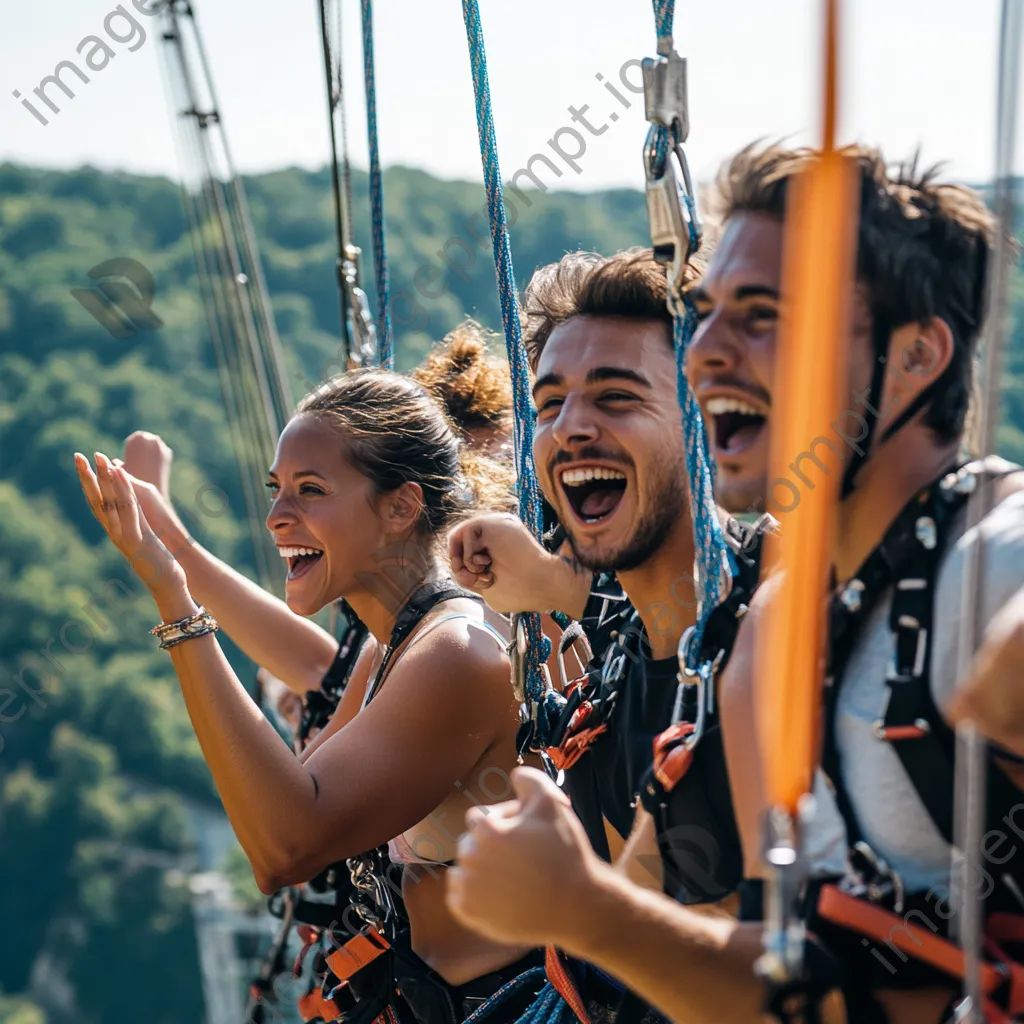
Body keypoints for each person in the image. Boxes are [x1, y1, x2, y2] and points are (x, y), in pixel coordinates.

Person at [447, 144, 1024, 1024]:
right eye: (707, 314)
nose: (707, 350)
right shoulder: (770, 638)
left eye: (762, 316)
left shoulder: (989, 553)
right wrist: (583, 911)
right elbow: (780, 991)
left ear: (916, 356)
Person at [74, 368, 549, 1024]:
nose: (276, 516)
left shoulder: (456, 652)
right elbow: (288, 800)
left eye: (310, 490)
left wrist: (175, 594)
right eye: (276, 490)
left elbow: (286, 848)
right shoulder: (395, 645)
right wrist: (175, 566)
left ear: (400, 509)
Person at [448, 248, 768, 1019]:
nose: (572, 429)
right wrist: (546, 582)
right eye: (549, 405)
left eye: (617, 397)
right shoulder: (628, 652)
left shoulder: (780, 629)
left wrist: (576, 904)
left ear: (708, 418)